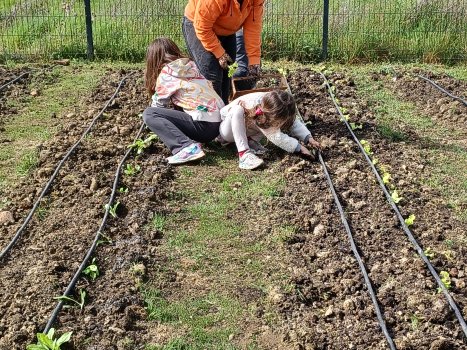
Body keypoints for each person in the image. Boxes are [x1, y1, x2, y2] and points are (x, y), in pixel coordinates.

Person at [142, 37, 224, 165]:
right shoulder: (190, 67)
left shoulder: (167, 73)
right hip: (218, 124)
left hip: (203, 126)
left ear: (153, 59)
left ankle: (185, 147)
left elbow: (158, 106)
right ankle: (192, 142)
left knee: (150, 114)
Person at [182, 0, 264, 104]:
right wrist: (219, 53)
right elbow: (202, 27)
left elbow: (253, 27)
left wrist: (253, 60)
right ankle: (210, 116)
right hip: (198, 25)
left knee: (228, 72)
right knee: (212, 76)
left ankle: (224, 110)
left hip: (226, 30)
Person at [218, 90, 321, 170]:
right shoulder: (259, 107)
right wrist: (300, 148)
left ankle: (250, 141)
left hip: (244, 129)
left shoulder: (274, 103)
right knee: (238, 109)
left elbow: (293, 122)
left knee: (267, 122)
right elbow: (276, 136)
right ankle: (244, 154)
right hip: (226, 131)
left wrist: (308, 138)